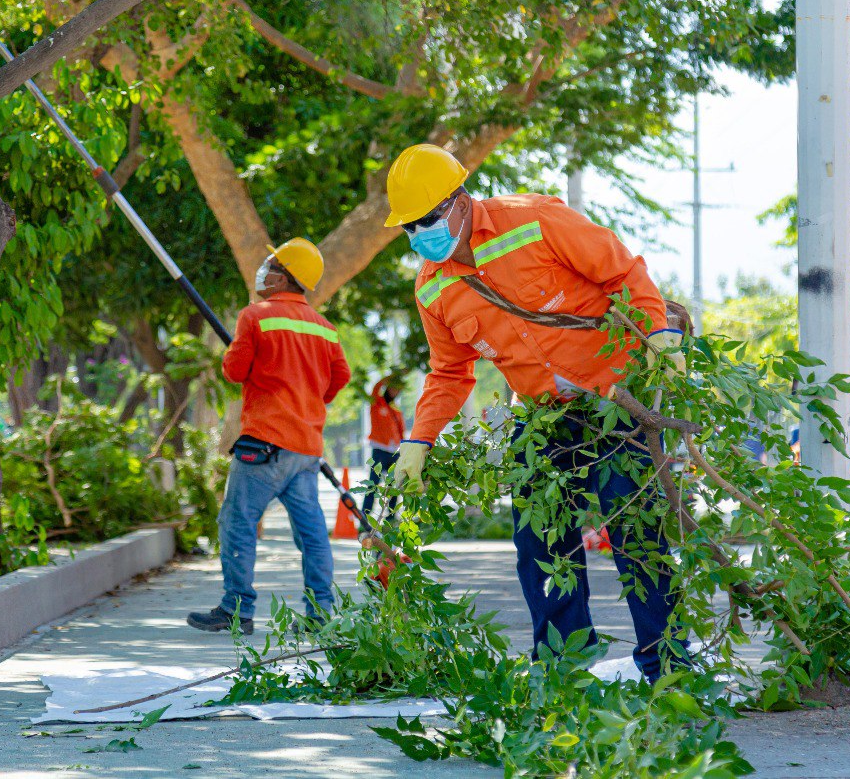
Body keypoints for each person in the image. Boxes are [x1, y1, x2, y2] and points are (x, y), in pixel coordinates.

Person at [382, 143, 688, 681]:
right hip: (543, 416)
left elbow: (623, 271)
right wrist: (418, 440)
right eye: (408, 227)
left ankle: (668, 667)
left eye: (426, 220)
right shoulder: (433, 287)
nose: (418, 235)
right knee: (539, 540)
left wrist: (658, 331)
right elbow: (449, 374)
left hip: (616, 400)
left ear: (459, 201)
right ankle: (563, 666)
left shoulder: (535, 220)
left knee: (636, 532)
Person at [187, 237, 351, 635]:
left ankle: (236, 610)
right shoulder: (326, 330)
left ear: (285, 277)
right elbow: (340, 377)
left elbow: (234, 372)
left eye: (271, 266)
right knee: (312, 535)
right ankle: (319, 614)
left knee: (237, 524)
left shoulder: (255, 316)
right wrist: (310, 401)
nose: (264, 270)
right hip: (305, 450)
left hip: (263, 445)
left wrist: (240, 355)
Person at [362, 376, 406, 518]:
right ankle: (365, 515)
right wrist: (392, 376)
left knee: (394, 485)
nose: (395, 392)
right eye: (393, 388)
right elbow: (376, 388)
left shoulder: (396, 411)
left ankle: (391, 516)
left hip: (394, 452)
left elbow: (401, 432)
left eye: (397, 390)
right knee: (373, 484)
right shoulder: (376, 403)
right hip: (380, 450)